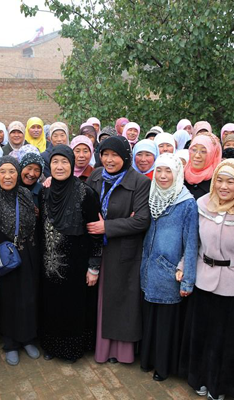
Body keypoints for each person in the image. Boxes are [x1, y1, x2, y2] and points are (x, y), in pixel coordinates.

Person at [180, 159, 234, 400]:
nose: (223, 186)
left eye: (231, 181)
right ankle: (198, 378)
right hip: (202, 279)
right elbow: (193, 244)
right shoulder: (202, 204)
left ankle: (218, 386)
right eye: (219, 180)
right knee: (200, 334)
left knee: (223, 340)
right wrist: (184, 267)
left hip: (231, 285)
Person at [86, 136, 150, 364]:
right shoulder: (96, 176)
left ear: (125, 156)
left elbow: (142, 220)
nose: (109, 160)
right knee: (100, 299)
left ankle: (120, 352)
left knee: (121, 301)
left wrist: (108, 226)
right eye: (105, 154)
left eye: (115, 155)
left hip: (123, 251)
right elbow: (84, 204)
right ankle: (100, 348)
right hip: (97, 249)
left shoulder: (140, 182)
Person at [39, 145, 102, 363]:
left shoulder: (86, 193)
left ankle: (72, 350)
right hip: (49, 264)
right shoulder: (45, 192)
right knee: (51, 305)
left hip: (77, 265)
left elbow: (96, 233)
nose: (59, 167)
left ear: (72, 164)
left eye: (64, 162)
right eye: (55, 162)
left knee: (73, 306)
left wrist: (94, 267)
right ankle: (51, 346)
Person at [140, 153, 198, 381]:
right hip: (148, 271)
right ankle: (147, 359)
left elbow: (191, 243)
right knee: (150, 319)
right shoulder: (151, 195)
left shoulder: (186, 203)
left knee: (166, 323)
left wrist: (187, 280)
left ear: (177, 174)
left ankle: (163, 367)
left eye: (168, 171)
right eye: (159, 170)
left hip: (169, 272)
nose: (163, 176)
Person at [0, 156, 41, 366]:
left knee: (29, 298)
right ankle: (11, 343)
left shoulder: (25, 194)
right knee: (9, 301)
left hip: (28, 254)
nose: (7, 176)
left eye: (12, 171)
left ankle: (28, 338)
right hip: (5, 258)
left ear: (17, 174)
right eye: (3, 171)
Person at [184, 134, 223, 199]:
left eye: (203, 151)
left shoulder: (218, 182)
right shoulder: (180, 177)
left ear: (213, 154)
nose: (197, 155)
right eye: (194, 150)